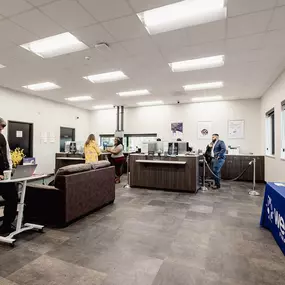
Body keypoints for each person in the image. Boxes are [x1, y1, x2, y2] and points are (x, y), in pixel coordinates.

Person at [0, 118, 18, 235]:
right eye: (0, 126)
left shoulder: (2, 138)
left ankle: (6, 225)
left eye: (3, 126)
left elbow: (7, 154)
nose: (1, 129)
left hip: (5, 174)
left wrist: (10, 169)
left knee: (13, 198)